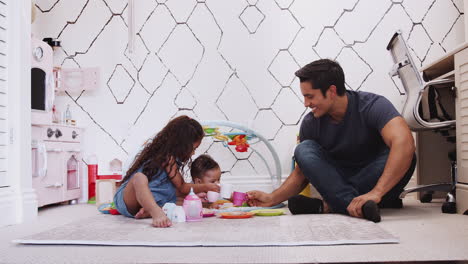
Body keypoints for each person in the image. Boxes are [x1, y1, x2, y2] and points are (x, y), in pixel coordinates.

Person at [247, 59, 416, 223]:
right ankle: (359, 206)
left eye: (310, 96)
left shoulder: (373, 105)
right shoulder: (311, 123)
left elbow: (404, 142)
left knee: (406, 152)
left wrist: (377, 192)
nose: (306, 103)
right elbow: (302, 172)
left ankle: (329, 205)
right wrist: (271, 198)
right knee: (303, 150)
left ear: (331, 91)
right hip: (337, 179)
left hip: (376, 178)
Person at [113, 116, 220, 227]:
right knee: (139, 177)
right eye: (193, 148)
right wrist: (206, 186)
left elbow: (179, 192)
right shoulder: (167, 158)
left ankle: (148, 210)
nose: (193, 153)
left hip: (149, 199)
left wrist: (201, 202)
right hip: (128, 200)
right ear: (182, 145)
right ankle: (156, 212)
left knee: (180, 199)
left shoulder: (172, 160)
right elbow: (183, 187)